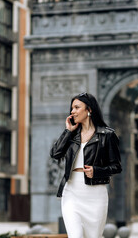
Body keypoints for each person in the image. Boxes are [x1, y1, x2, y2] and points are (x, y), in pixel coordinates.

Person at [50, 92, 122, 238]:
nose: (72, 111)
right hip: (71, 193)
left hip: (95, 195)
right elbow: (55, 154)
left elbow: (116, 166)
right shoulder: (72, 135)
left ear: (89, 109)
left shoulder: (107, 135)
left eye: (77, 107)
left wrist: (97, 171)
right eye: (72, 108)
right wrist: (67, 132)